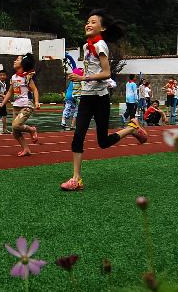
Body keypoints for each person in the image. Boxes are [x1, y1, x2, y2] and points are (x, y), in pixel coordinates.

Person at [61, 10, 148, 191]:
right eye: (87, 21)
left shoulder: (101, 45)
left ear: (102, 27)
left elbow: (107, 73)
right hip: (86, 97)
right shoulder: (86, 47)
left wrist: (84, 79)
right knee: (78, 136)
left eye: (93, 21)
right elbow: (90, 70)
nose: (88, 24)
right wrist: (78, 75)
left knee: (103, 142)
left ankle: (132, 128)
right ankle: (76, 179)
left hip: (100, 99)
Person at [1, 53, 40, 156]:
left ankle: (32, 130)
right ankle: (26, 149)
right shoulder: (13, 77)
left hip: (27, 105)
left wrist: (36, 102)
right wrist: (3, 102)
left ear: (23, 64)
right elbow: (10, 92)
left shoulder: (27, 77)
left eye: (17, 60)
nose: (14, 61)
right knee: (15, 131)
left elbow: (35, 90)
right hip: (16, 106)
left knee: (16, 125)